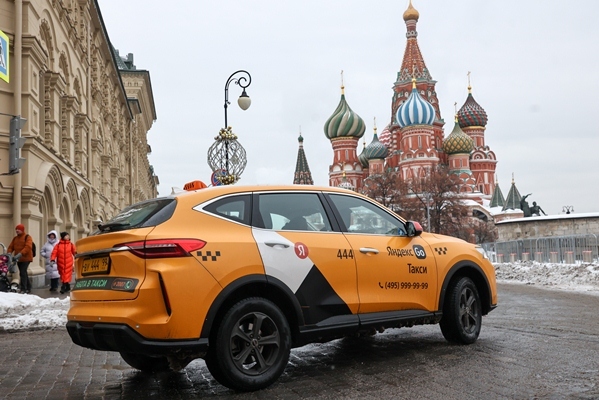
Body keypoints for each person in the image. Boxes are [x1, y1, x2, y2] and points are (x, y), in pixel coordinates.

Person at [7, 224, 33, 294]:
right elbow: (11, 246)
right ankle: (28, 287)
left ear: (22, 230)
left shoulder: (27, 237)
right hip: (18, 259)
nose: (17, 230)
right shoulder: (15, 238)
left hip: (26, 258)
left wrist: (20, 254)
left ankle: (23, 289)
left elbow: (28, 247)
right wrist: (9, 253)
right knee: (23, 272)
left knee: (22, 272)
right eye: (16, 229)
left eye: (18, 229)